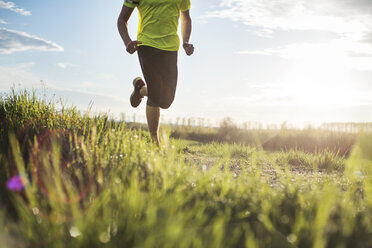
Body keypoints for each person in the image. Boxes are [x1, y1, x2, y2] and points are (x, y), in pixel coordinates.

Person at [117, 0, 194, 145]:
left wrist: (186, 41)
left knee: (166, 101)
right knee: (156, 94)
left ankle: (140, 90)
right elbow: (122, 19)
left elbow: (186, 18)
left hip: (171, 48)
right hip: (147, 45)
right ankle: (154, 141)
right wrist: (127, 41)